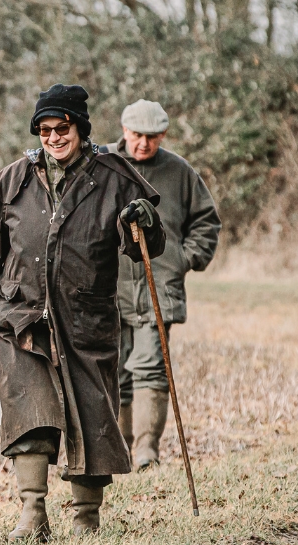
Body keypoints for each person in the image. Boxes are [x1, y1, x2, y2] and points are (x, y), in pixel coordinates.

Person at [0, 84, 165, 542]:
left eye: (61, 128)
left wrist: (146, 220)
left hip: (86, 319)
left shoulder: (115, 177)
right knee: (30, 411)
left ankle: (87, 517)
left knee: (91, 418)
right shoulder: (14, 179)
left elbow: (147, 247)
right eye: (44, 130)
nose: (52, 137)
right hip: (21, 317)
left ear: (80, 129)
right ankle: (32, 514)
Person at [106, 99, 221, 470]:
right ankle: (118, 449)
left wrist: (183, 260)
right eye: (138, 135)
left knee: (151, 366)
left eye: (152, 137)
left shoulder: (179, 171)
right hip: (107, 285)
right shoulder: (102, 164)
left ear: (163, 135)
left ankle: (146, 453)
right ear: (124, 131)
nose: (144, 144)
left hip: (160, 285)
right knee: (115, 368)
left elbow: (207, 221)